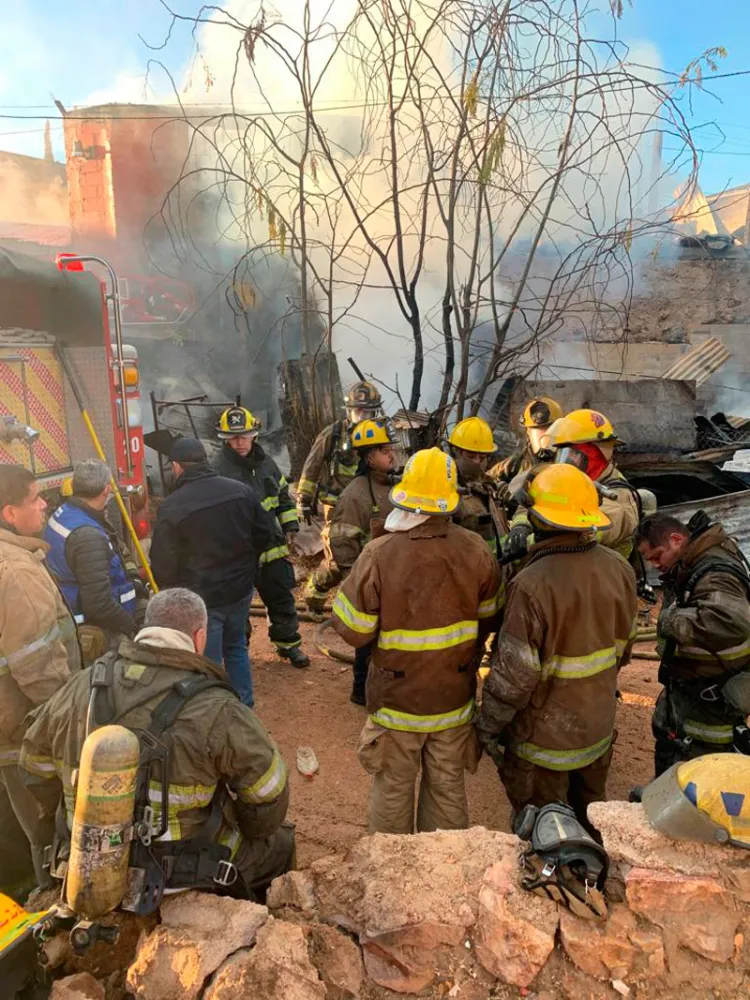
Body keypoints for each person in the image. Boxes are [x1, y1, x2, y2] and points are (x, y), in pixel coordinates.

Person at [19, 587, 294, 903]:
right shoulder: (218, 708)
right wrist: (248, 828)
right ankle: (260, 924)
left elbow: (33, 770)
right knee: (281, 844)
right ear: (200, 637)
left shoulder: (81, 686)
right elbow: (268, 795)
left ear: (145, 629)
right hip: (181, 874)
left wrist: (76, 812)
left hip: (87, 863)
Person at [332, 447, 501, 835]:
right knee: (447, 791)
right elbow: (492, 614)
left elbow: (352, 629)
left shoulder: (379, 553)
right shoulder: (476, 549)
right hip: (453, 699)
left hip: (397, 705)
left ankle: (391, 874)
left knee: (393, 789)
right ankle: (441, 875)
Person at [477, 464, 638, 832]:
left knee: (546, 839)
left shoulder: (531, 584)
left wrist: (488, 727)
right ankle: (591, 885)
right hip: (596, 730)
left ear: (539, 517)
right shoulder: (620, 569)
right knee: (590, 825)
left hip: (542, 746)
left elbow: (513, 679)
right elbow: (623, 651)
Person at [149, 437, 278, 708]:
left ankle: (211, 713)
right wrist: (246, 566)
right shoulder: (241, 491)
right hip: (240, 591)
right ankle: (244, 706)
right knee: (236, 648)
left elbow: (163, 562)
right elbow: (266, 533)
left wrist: (174, 589)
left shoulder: (172, 506)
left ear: (177, 467)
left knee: (206, 659)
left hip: (203, 599)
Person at [0, 464, 81, 891]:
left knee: (9, 821)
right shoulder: (18, 574)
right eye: (35, 498)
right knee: (42, 825)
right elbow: (37, 667)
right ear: (9, 513)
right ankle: (45, 907)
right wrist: (69, 720)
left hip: (6, 724)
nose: (45, 503)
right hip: (25, 726)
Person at [636, 511, 750, 776]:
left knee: (702, 776)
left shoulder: (713, 572)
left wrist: (670, 620)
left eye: (656, 556)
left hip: (712, 700)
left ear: (676, 540)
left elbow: (731, 621)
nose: (654, 565)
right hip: (694, 692)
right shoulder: (695, 562)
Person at [211, 406, 310, 668]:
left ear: (254, 434)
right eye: (233, 437)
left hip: (271, 546)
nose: (239, 442)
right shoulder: (217, 469)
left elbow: (282, 498)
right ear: (224, 438)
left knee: (280, 596)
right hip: (237, 551)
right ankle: (238, 651)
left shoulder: (266, 463)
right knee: (237, 605)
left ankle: (288, 645)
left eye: (244, 435)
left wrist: (290, 528)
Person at [44, 460, 147, 663]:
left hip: (82, 617)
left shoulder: (65, 514)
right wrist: (131, 629)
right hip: (103, 630)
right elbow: (98, 605)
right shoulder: (87, 536)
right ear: (106, 490)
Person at [329, 418, 398, 705]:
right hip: (369, 580)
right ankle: (361, 690)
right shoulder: (355, 495)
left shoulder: (395, 487)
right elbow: (343, 544)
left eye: (391, 448)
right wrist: (356, 583)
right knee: (367, 641)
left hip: (394, 578)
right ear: (369, 457)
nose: (391, 454)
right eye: (384, 450)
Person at [299, 380, 384, 612]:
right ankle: (314, 596)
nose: (363, 416)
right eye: (358, 410)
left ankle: (363, 607)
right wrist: (303, 500)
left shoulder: (381, 435)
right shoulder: (334, 434)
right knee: (339, 560)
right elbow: (312, 465)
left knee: (369, 554)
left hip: (369, 505)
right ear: (349, 410)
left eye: (368, 411)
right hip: (337, 506)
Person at [549, 408, 640, 559]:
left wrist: (533, 538)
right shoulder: (580, 482)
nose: (567, 461)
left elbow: (582, 535)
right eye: (564, 454)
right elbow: (539, 501)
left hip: (604, 577)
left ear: (596, 455)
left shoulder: (618, 500)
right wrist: (521, 526)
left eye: (574, 453)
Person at [448, 416, 509, 561]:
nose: (477, 462)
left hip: (495, 568)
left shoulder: (488, 485)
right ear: (455, 452)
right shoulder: (449, 491)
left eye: (482, 458)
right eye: (471, 456)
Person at [489, 396, 562, 484]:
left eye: (552, 428)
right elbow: (484, 481)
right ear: (529, 432)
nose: (548, 433)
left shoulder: (570, 461)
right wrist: (502, 489)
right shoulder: (513, 466)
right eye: (542, 429)